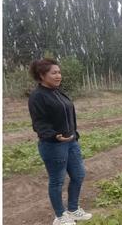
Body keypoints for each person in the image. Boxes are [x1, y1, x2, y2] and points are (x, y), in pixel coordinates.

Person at [28, 58, 92, 225]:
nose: (58, 75)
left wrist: (74, 133)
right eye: (54, 73)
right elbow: (39, 123)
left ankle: (72, 209)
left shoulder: (58, 92)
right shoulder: (37, 96)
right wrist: (54, 135)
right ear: (42, 75)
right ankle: (60, 216)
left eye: (59, 72)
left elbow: (69, 114)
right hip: (53, 145)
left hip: (71, 142)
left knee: (79, 174)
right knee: (57, 180)